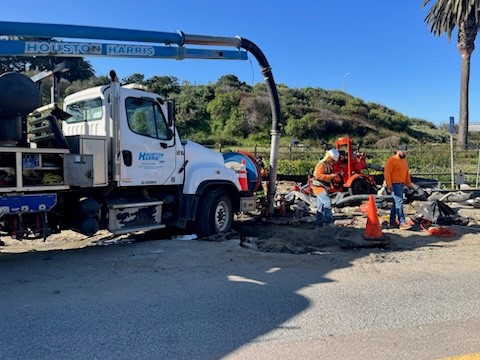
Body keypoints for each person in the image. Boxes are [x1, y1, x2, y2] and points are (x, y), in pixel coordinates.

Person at [384, 144, 413, 230]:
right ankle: (402, 222)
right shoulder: (392, 160)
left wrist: (409, 184)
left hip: (400, 184)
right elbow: (387, 173)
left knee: (395, 203)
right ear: (398, 151)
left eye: (406, 152)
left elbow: (406, 173)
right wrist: (389, 184)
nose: (405, 154)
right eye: (404, 152)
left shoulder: (404, 161)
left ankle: (392, 221)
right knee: (399, 202)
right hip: (394, 184)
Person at [312, 149, 340, 228]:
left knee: (320, 207)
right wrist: (331, 176)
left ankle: (319, 224)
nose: (333, 162)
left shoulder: (328, 165)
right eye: (333, 160)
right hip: (319, 187)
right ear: (329, 158)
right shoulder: (321, 165)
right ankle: (329, 222)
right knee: (327, 202)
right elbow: (318, 175)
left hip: (322, 187)